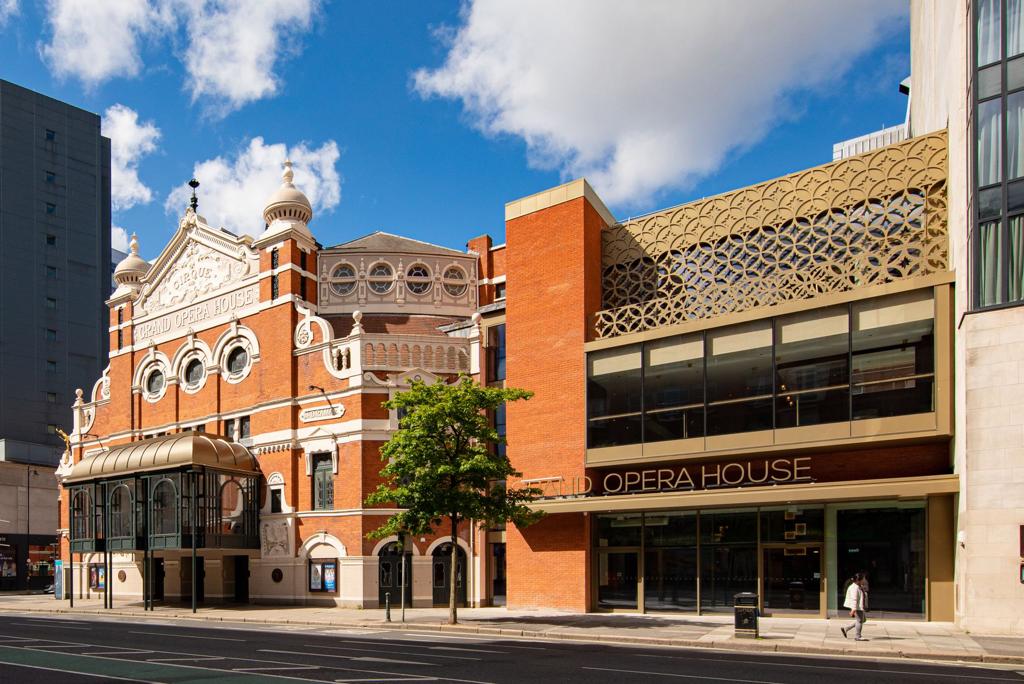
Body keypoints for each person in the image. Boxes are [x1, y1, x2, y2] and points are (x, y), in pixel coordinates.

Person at [841, 572, 868, 641]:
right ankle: (858, 636)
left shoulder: (858, 586)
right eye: (863, 579)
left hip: (859, 606)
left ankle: (846, 628)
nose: (864, 580)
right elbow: (854, 600)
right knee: (859, 621)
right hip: (857, 607)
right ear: (859, 580)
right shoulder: (854, 588)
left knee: (863, 620)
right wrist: (853, 610)